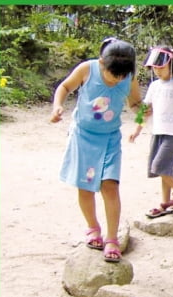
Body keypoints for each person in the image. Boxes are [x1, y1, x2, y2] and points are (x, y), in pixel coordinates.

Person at [50, 38, 142, 263]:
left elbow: (135, 104)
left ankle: (112, 238)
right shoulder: (87, 69)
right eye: (114, 75)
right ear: (102, 63)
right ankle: (93, 227)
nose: (118, 79)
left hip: (110, 139)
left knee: (110, 187)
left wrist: (143, 114)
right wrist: (57, 106)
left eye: (122, 76)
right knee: (86, 187)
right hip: (83, 137)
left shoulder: (128, 77)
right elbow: (64, 87)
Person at [129, 45, 173, 218]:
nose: (157, 71)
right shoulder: (154, 86)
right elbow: (145, 109)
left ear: (171, 65)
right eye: (155, 68)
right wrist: (137, 129)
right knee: (165, 170)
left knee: (159, 167)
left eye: (161, 67)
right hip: (157, 132)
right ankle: (165, 203)